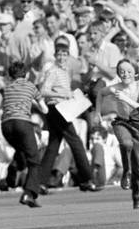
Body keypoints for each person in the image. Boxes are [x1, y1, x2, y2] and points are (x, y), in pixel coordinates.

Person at [38, 37, 100, 193]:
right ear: (55, 55)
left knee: (53, 145)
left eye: (65, 54)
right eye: (59, 54)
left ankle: (40, 182)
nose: (62, 57)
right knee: (76, 142)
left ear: (68, 56)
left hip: (61, 108)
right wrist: (63, 93)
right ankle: (87, 179)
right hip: (56, 108)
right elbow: (44, 91)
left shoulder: (65, 71)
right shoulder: (53, 70)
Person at [97, 59, 139, 209]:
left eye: (128, 71)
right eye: (122, 71)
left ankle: (137, 195)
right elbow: (101, 93)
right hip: (122, 122)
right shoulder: (115, 87)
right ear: (118, 74)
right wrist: (97, 113)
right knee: (126, 143)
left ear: (136, 73)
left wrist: (126, 99)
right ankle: (126, 170)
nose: (125, 74)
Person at [0, 61, 47, 207]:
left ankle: (11, 174)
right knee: (34, 159)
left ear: (10, 75)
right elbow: (44, 110)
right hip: (22, 123)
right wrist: (35, 103)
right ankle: (29, 193)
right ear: (26, 75)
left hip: (6, 125)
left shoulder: (7, 87)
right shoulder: (30, 86)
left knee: (21, 150)